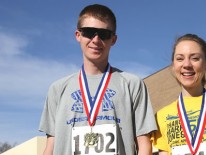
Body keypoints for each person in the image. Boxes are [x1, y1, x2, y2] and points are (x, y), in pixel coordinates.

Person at [39, 4, 157, 155]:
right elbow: (50, 146)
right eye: (89, 32)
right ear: (78, 35)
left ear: (113, 39)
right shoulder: (58, 88)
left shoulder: (132, 84)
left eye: (104, 34)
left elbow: (144, 145)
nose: (96, 40)